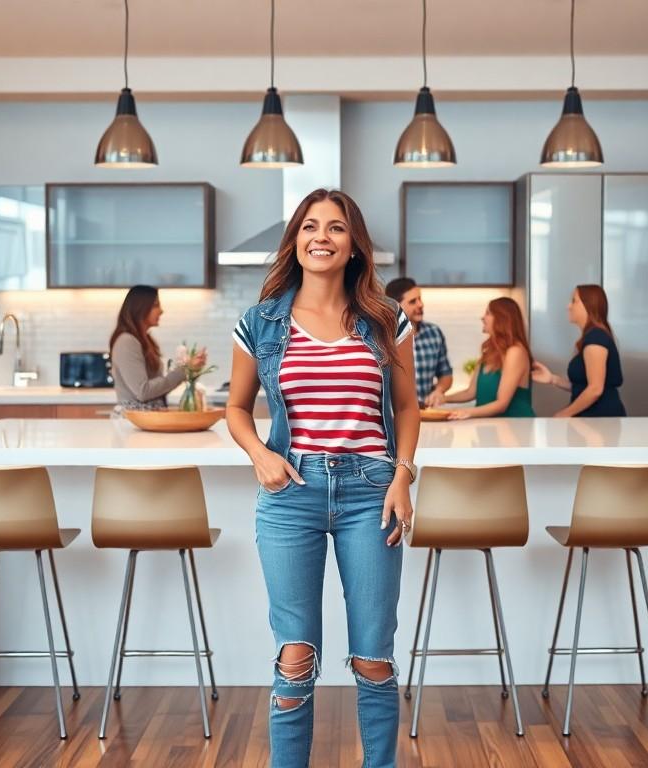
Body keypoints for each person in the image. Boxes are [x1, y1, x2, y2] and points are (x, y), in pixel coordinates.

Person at [226, 188, 419, 768]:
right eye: (311, 226)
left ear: (354, 243)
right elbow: (235, 408)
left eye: (336, 228)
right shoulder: (259, 322)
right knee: (295, 654)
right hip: (291, 494)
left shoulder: (387, 319)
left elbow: (408, 408)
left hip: (372, 493)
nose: (322, 237)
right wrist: (260, 454)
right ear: (296, 240)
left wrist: (403, 476)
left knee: (373, 657)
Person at [531, 284, 626, 417]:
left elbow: (595, 389)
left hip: (600, 421)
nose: (568, 306)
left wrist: (564, 414)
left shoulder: (596, 339)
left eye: (574, 301)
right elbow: (583, 387)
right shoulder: (592, 337)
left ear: (588, 306)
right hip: (594, 421)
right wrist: (552, 379)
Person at [440, 296, 536, 418]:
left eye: (488, 313)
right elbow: (471, 392)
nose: (482, 317)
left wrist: (465, 412)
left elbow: (502, 404)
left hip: (516, 427)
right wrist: (444, 399)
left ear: (502, 319)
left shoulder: (515, 352)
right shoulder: (489, 352)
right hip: (492, 426)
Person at [109, 285, 187, 410]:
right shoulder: (126, 341)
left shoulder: (144, 339)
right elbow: (143, 391)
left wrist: (186, 370)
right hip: (134, 422)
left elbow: (155, 389)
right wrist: (183, 371)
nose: (161, 311)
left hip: (147, 420)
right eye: (156, 305)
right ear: (140, 308)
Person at [385, 276, 453, 407]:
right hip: (393, 417)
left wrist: (439, 391)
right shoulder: (382, 336)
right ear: (395, 306)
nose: (420, 304)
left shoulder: (433, 332)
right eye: (412, 302)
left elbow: (446, 374)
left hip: (425, 413)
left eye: (420, 299)